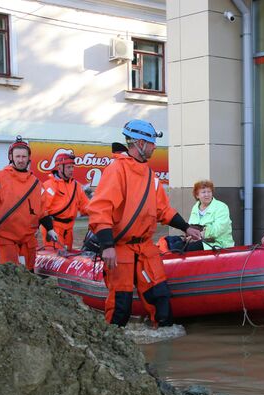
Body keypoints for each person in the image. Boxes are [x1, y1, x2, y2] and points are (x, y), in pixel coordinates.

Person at [87, 119, 203, 327]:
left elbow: (163, 210)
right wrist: (107, 246)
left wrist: (187, 228)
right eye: (151, 143)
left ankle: (163, 349)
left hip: (145, 248)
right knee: (120, 307)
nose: (154, 147)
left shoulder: (150, 175)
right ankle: (114, 348)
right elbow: (100, 208)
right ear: (139, 143)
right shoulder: (117, 170)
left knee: (161, 298)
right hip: (120, 248)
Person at [0, 136, 58, 271]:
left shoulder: (36, 183)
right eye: (17, 156)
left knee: (29, 274)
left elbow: (42, 211)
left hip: (28, 240)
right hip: (6, 238)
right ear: (11, 157)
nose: (20, 160)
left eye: (24, 157)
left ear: (29, 158)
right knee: (10, 273)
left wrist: (50, 229)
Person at [42, 151, 90, 250]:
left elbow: (86, 206)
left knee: (67, 257)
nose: (71, 170)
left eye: (72, 167)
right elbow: (42, 210)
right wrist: (49, 229)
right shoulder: (49, 185)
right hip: (54, 228)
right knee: (55, 260)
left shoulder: (77, 186)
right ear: (59, 168)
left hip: (69, 230)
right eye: (68, 167)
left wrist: (100, 211)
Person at [186, 180, 234, 251]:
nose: (207, 195)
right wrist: (190, 235)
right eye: (203, 192)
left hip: (219, 243)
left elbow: (219, 229)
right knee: (176, 245)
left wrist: (201, 234)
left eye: (209, 192)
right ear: (197, 195)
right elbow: (191, 225)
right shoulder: (195, 207)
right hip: (200, 241)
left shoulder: (221, 207)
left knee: (190, 249)